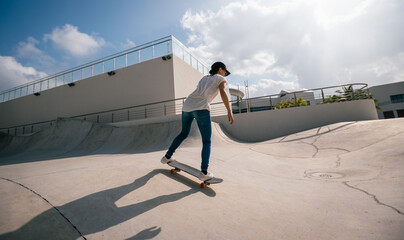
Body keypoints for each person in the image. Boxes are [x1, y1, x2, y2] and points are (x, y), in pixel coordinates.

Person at [161, 62, 234, 181]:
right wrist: (229, 110)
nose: (225, 75)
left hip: (187, 105)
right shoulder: (220, 78)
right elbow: (222, 91)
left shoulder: (204, 78)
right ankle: (204, 172)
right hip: (201, 108)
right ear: (220, 69)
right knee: (206, 141)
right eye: (225, 72)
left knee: (183, 133)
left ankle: (167, 157)